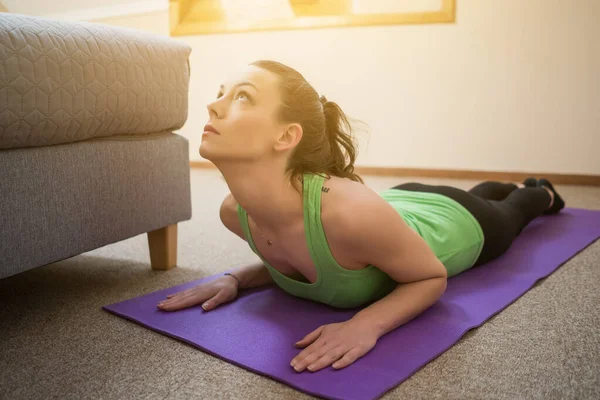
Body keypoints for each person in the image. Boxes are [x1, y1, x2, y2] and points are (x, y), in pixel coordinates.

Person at [157, 60, 565, 373]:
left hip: (460, 223)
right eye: (221, 93)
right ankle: (497, 186)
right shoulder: (235, 213)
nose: (212, 104)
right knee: (485, 192)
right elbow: (300, 253)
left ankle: (539, 192)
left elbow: (430, 276)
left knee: (511, 210)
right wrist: (235, 279)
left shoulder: (350, 213)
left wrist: (367, 324)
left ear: (286, 136)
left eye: (241, 96)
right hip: (398, 204)